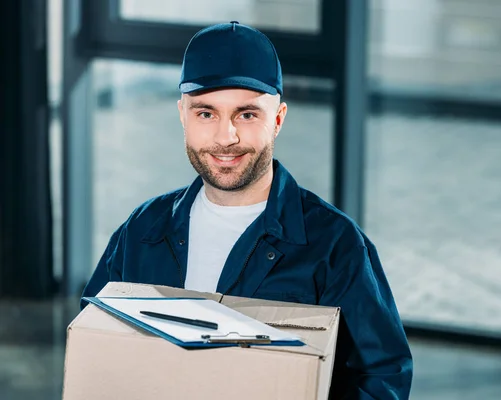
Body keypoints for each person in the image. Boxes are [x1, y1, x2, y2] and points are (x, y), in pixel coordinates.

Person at [82, 21, 412, 399]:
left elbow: (383, 379)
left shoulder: (335, 246)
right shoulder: (142, 230)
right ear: (182, 116)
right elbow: (96, 342)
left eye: (247, 114)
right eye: (206, 114)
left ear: (278, 119)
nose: (226, 137)